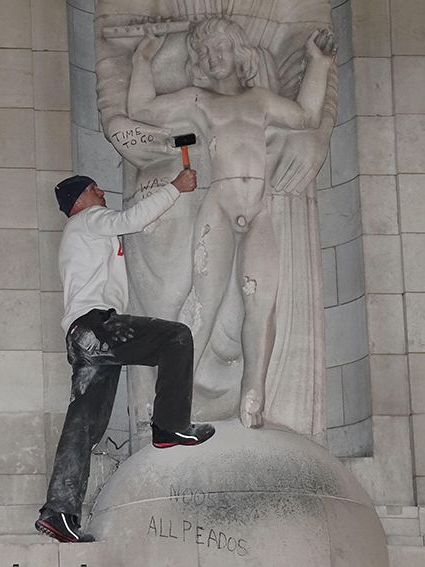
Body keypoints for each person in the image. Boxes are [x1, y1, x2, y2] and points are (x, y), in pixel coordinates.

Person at [128, 20, 337, 428]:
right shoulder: (198, 100)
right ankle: (174, 397)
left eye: (219, 47)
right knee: (203, 306)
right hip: (220, 206)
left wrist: (318, 63)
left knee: (260, 303)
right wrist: (142, 59)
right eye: (204, 52)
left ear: (237, 49)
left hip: (258, 209)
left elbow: (308, 115)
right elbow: (140, 109)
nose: (212, 57)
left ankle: (253, 394)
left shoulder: (260, 99)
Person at [35, 169, 216, 543]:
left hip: (81, 337)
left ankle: (59, 513)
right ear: (78, 202)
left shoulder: (80, 232)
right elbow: (131, 219)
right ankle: (169, 427)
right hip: (97, 326)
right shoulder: (89, 220)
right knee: (176, 338)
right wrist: (175, 188)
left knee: (83, 426)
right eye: (92, 189)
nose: (101, 192)